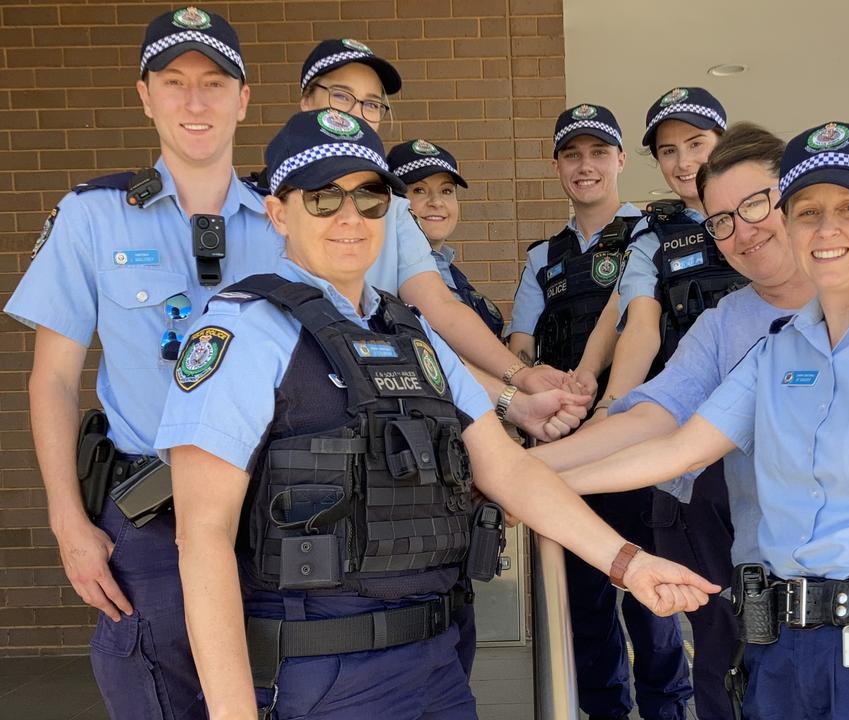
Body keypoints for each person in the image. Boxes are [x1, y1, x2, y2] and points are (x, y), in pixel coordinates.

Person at [154, 109, 717, 720]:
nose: (350, 219)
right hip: (317, 672)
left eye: (369, 199)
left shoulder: (411, 334)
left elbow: (507, 470)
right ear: (277, 211)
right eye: (322, 198)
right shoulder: (242, 332)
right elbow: (201, 536)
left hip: (436, 664)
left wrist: (626, 562)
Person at [559, 122, 849, 720]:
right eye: (808, 212)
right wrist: (529, 481)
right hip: (781, 647)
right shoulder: (771, 351)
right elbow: (675, 446)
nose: (826, 229)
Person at [3, 8, 280, 718]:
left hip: (281, 515)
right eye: (174, 81)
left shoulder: (288, 223)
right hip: (150, 523)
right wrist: (69, 523)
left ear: (243, 99)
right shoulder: (91, 216)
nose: (195, 102)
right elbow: (54, 380)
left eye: (214, 83)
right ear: (144, 95)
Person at [509, 103, 693, 720]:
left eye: (597, 153)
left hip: (641, 446)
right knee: (585, 602)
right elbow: (520, 346)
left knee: (653, 598)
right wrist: (534, 381)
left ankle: (668, 710)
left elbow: (637, 323)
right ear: (558, 166)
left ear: (619, 160)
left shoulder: (657, 232)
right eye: (571, 154)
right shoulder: (543, 257)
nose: (585, 166)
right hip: (565, 444)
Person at [575, 86, 739, 719]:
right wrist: (611, 412)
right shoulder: (652, 236)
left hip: (771, 440)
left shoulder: (768, 217)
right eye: (668, 151)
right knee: (710, 612)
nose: (682, 162)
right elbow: (638, 327)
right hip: (686, 443)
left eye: (695, 144)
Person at [295, 39, 582, 401]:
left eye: (371, 103)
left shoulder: (395, 212)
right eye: (341, 95)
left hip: (377, 401)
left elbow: (439, 309)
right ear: (306, 101)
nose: (358, 114)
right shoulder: (264, 202)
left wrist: (520, 379)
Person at [387, 139, 504, 337]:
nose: (436, 202)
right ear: (393, 200)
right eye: (419, 190)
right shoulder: (386, 277)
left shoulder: (456, 277)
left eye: (446, 191)